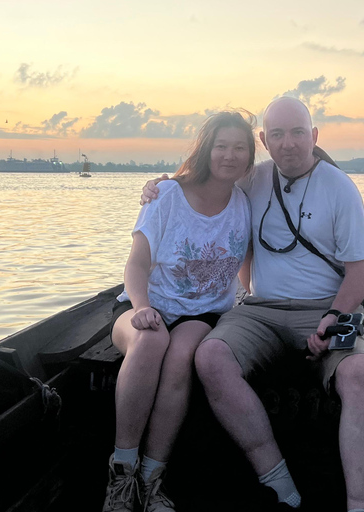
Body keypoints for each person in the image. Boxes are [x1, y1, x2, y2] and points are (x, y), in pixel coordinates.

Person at [142, 97, 364, 512]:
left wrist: (332, 316)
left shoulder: (340, 188)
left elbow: (359, 274)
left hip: (327, 306)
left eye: (297, 133)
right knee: (211, 356)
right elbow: (203, 186)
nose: (288, 144)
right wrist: (165, 184)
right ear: (264, 141)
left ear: (315, 136)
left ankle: (361, 505)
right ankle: (279, 482)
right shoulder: (253, 179)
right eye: (277, 135)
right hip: (262, 309)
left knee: (360, 373)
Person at [104, 111, 255, 512]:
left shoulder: (245, 203)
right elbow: (136, 264)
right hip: (144, 304)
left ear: (250, 155)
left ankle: (153, 478)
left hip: (202, 313)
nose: (229, 155)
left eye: (239, 147)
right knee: (152, 342)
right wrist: (143, 307)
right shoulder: (166, 196)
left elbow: (248, 269)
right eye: (221, 146)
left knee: (181, 354)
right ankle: (121, 475)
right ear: (206, 150)